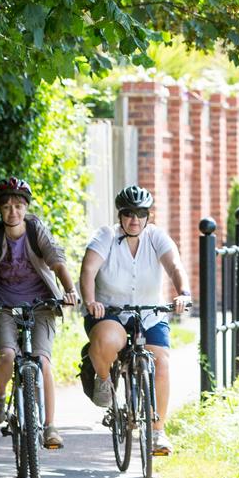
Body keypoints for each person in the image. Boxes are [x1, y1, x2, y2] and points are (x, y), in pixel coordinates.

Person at [0, 177, 79, 449]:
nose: (13, 211)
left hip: (41, 304)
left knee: (42, 360)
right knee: (6, 353)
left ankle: (50, 426)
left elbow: (55, 260)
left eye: (18, 205)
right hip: (1, 304)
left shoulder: (35, 229)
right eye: (6, 207)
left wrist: (70, 290)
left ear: (26, 207)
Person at [81, 185, 190, 456]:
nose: (135, 220)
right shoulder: (105, 236)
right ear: (120, 215)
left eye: (141, 214)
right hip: (111, 312)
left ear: (148, 216)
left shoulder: (156, 237)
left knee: (161, 363)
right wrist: (91, 300)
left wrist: (183, 293)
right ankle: (104, 380)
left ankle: (157, 432)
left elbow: (174, 265)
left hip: (150, 314)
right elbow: (89, 268)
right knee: (107, 340)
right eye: (129, 214)